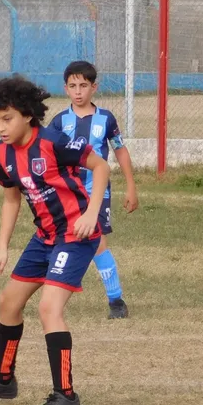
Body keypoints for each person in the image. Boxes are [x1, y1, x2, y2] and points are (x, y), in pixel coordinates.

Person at [0, 76, 110, 405]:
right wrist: (2, 247)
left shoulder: (53, 142)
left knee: (48, 309)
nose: (0, 127)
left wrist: (91, 212)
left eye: (7, 118)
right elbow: (11, 200)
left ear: (27, 115)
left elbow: (101, 167)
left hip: (74, 236)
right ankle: (4, 379)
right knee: (8, 303)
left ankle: (66, 396)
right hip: (43, 237)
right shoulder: (2, 153)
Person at [50, 60, 139, 320]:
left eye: (84, 86)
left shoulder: (106, 119)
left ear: (94, 88)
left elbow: (119, 150)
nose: (78, 91)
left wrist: (131, 186)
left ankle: (116, 301)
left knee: (98, 242)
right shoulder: (59, 122)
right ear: (65, 89)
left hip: (98, 192)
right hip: (68, 194)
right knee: (59, 242)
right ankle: (52, 297)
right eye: (73, 86)